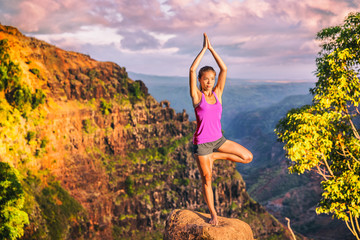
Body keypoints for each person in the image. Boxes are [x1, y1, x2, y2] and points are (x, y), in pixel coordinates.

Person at [189, 33, 253, 226]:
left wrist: (211, 49)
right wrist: (202, 50)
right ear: (200, 80)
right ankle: (214, 214)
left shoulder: (218, 93)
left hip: (219, 141)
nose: (209, 81)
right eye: (205, 79)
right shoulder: (197, 97)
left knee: (248, 157)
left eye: (211, 78)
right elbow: (192, 70)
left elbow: (224, 68)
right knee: (207, 179)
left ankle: (215, 157)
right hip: (202, 145)